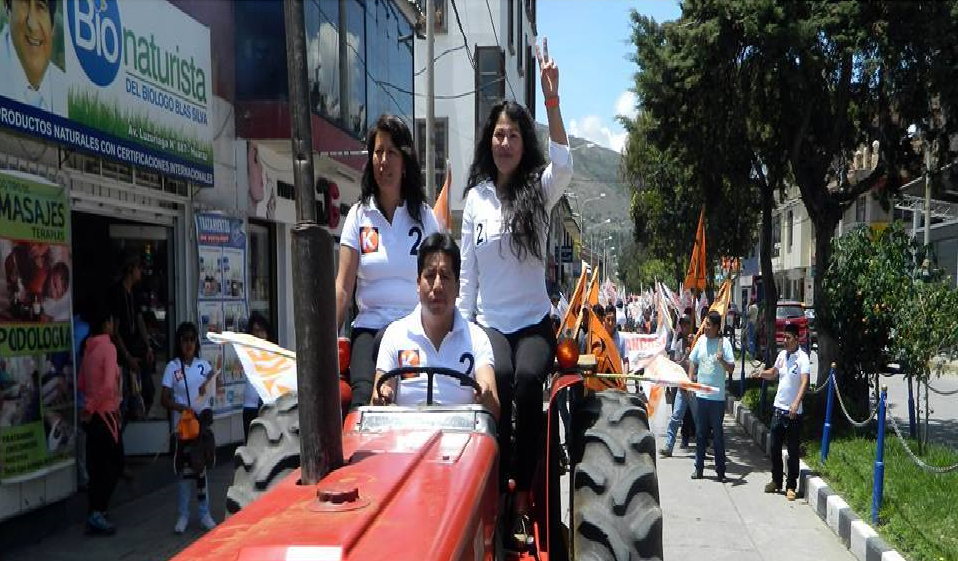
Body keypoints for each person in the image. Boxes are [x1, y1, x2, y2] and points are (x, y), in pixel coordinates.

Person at [458, 38, 572, 529]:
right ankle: (491, 482)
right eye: (497, 136)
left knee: (526, 381)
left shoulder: (539, 191)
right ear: (490, 142)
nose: (504, 143)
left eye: (512, 136)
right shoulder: (475, 200)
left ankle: (524, 487)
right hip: (489, 328)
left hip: (531, 325)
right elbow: (467, 275)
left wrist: (552, 99)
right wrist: (461, 328)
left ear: (524, 143)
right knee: (494, 382)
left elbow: (565, 163)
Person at [336, 114, 441, 410]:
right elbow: (343, 287)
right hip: (368, 329)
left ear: (405, 161)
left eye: (392, 152)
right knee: (363, 402)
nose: (384, 161)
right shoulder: (358, 216)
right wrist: (324, 338)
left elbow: (442, 280)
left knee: (417, 401)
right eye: (378, 152)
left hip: (414, 329)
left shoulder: (425, 217)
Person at [373, 233, 498, 417]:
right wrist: (381, 398)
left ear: (457, 287)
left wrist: (486, 397)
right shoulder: (394, 336)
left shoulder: (478, 339)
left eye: (445, 276)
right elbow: (377, 401)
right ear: (418, 283)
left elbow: (493, 410)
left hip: (462, 442)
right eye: (430, 275)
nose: (437, 286)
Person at [161, 322, 217, 534]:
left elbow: (214, 386)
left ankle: (204, 514)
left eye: (192, 339)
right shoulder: (172, 367)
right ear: (179, 342)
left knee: (201, 470)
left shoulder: (204, 365)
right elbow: (164, 399)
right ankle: (183, 515)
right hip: (183, 427)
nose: (189, 343)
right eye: (185, 339)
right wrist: (181, 407)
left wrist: (210, 385)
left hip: (200, 427)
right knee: (184, 473)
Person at [77, 306, 123, 536]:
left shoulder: (88, 349)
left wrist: (87, 407)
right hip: (106, 417)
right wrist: (93, 405)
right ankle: (98, 511)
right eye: (112, 322)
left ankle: (94, 512)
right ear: (107, 324)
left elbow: (82, 385)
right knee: (114, 465)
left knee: (96, 468)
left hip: (93, 418)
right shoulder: (108, 347)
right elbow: (107, 386)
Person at [753, 323, 810, 501]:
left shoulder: (803, 358)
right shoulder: (782, 356)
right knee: (774, 447)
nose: (784, 341)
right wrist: (762, 373)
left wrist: (796, 403)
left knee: (793, 450)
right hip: (779, 408)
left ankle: (791, 485)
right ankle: (776, 480)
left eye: (788, 338)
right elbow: (774, 373)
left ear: (797, 339)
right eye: (783, 337)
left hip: (794, 412)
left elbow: (804, 382)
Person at [688, 310, 734, 481]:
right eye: (705, 324)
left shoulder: (725, 344)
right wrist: (690, 380)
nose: (705, 327)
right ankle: (698, 468)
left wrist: (722, 360)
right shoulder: (701, 341)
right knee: (700, 434)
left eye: (708, 325)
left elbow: (731, 368)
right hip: (701, 396)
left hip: (716, 399)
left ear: (716, 327)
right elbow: (693, 360)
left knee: (717, 435)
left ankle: (720, 471)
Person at [0, 0, 65, 113]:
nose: (32, 24)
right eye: (24, 3)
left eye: (41, 6)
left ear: (52, 26)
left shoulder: (63, 87)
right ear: (7, 7)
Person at [111, 253, 154, 421]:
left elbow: (139, 319)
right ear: (131, 269)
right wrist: (127, 356)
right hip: (123, 356)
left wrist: (148, 345)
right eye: (139, 268)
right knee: (124, 397)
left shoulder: (134, 292)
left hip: (136, 350)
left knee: (147, 391)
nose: (141, 272)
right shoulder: (117, 292)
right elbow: (115, 330)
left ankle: (139, 422)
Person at [660, 316, 694, 457]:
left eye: (688, 324)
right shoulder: (679, 344)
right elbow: (676, 364)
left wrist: (693, 346)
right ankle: (669, 445)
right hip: (682, 385)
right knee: (675, 417)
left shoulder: (698, 341)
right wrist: (685, 356)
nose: (685, 327)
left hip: (695, 387)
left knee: (699, 419)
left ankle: (703, 447)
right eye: (683, 325)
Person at [242, 312, 272, 441]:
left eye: (261, 331)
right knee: (251, 444)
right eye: (255, 331)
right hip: (250, 406)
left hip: (267, 406)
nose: (258, 335)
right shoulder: (246, 352)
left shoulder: (272, 353)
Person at [603, 303, 626, 372]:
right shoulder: (599, 337)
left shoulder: (621, 338)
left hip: (616, 379)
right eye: (608, 319)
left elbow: (626, 361)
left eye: (613, 320)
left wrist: (624, 379)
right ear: (604, 320)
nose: (610, 323)